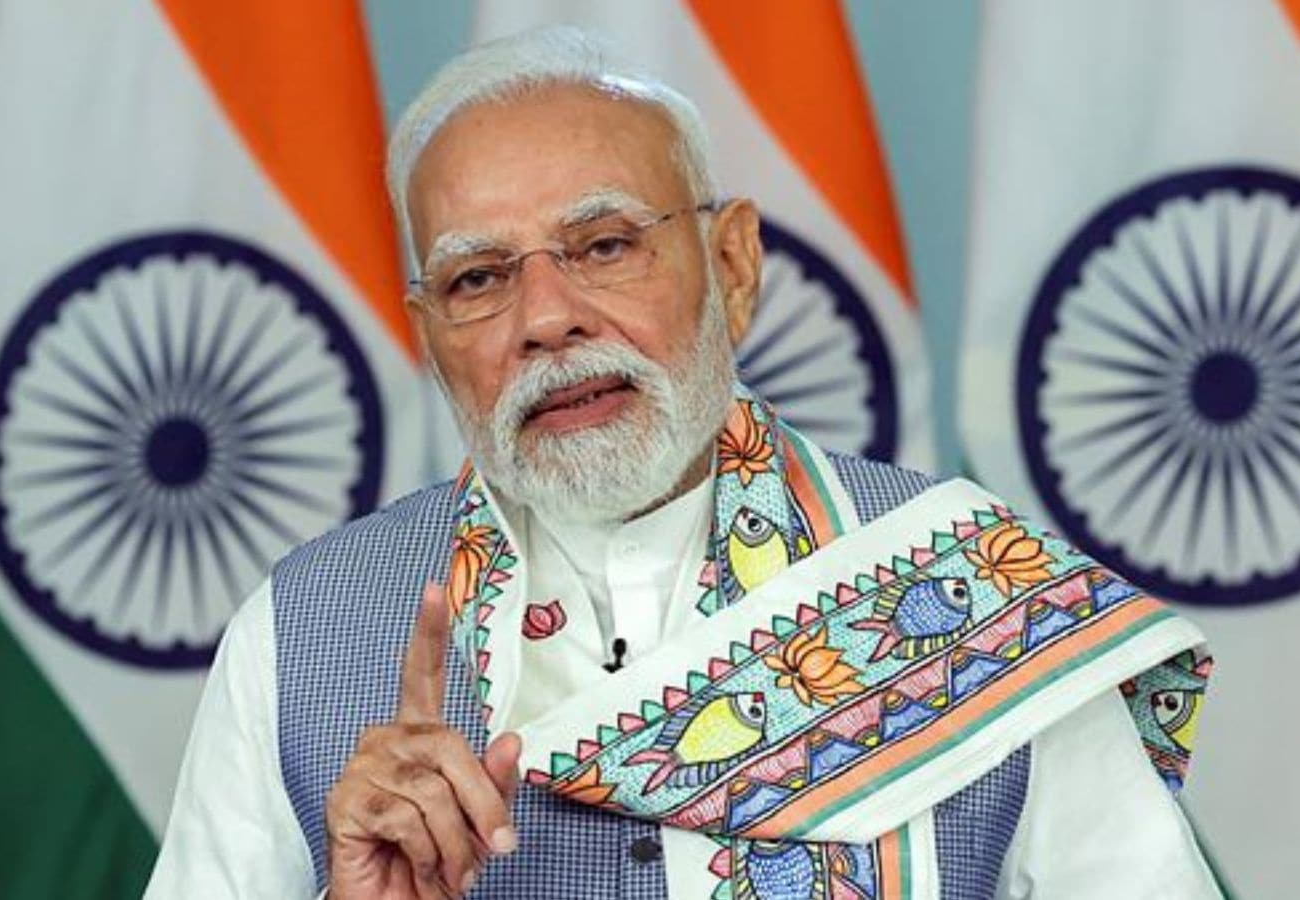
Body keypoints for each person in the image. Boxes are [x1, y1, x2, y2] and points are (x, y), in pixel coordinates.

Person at [146, 25, 1221, 900]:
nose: (547, 320)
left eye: (604, 245)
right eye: (478, 279)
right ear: (430, 337)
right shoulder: (307, 628)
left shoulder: (970, 587)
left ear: (732, 266)